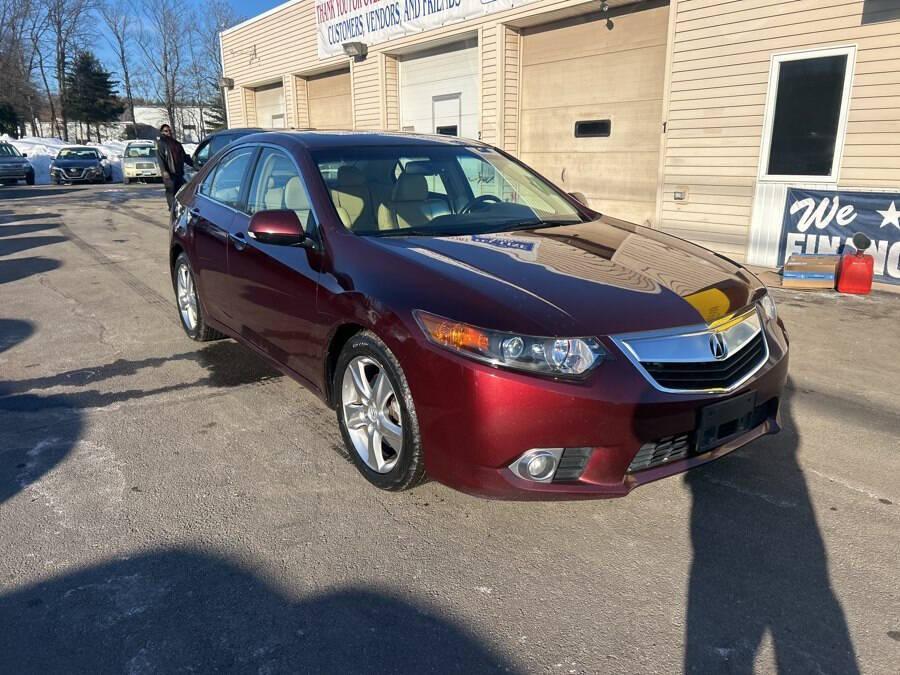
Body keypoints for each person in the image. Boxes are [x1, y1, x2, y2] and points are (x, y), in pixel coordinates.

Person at [156, 124, 193, 211]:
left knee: (181, 190)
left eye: (169, 130)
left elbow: (184, 156)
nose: (168, 132)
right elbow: (160, 158)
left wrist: (194, 164)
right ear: (162, 132)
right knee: (171, 191)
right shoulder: (161, 143)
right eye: (166, 131)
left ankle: (180, 207)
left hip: (179, 171)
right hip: (169, 172)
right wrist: (164, 171)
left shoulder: (176, 143)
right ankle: (172, 208)